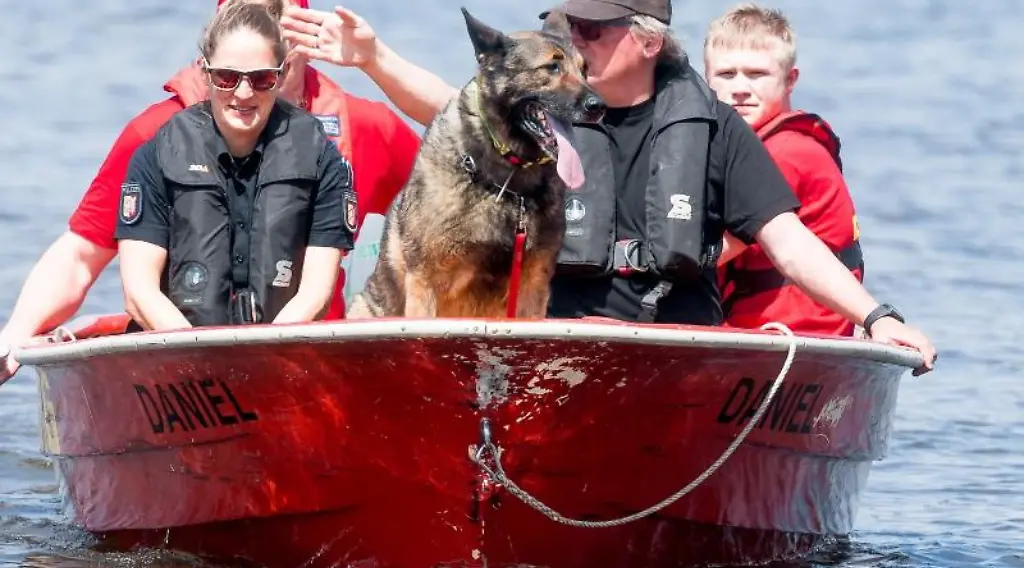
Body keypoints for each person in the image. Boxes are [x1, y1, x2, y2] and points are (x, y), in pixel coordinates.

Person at [280, 0, 937, 373]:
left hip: (664, 356)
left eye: (592, 29)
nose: (575, 40)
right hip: (554, 350)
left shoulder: (711, 128)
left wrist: (877, 319)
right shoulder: (541, 110)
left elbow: (790, 244)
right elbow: (451, 107)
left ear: (648, 43)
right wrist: (372, 57)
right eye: (567, 26)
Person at [0, 0, 420, 383]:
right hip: (183, 370)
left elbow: (466, 183)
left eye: (278, 15)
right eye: (228, 74)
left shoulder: (363, 130)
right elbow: (81, 255)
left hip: (307, 369)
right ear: (210, 58)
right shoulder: (159, 138)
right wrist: (15, 336)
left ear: (304, 42)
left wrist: (376, 60)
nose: (244, 89)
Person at [116, 2, 351, 329]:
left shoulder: (322, 160)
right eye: (226, 77)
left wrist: (264, 357)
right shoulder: (155, 157)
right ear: (205, 72)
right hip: (178, 356)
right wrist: (199, 356)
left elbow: (316, 292)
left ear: (280, 76)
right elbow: (140, 293)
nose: (243, 93)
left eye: (261, 79)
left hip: (279, 350)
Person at [704, 3, 863, 337]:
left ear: (790, 79)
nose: (740, 88)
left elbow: (710, 255)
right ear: (706, 80)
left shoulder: (787, 152)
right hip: (757, 326)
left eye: (757, 74)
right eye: (726, 74)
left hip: (794, 332)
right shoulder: (744, 145)